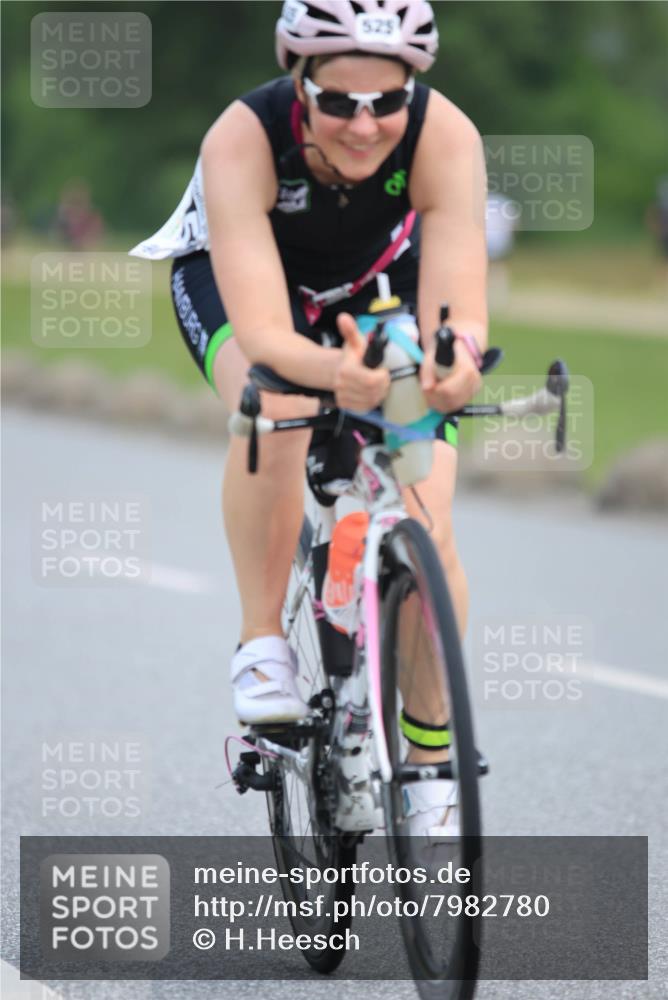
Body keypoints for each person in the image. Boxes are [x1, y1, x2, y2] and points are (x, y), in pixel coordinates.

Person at [130, 0, 488, 837]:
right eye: (338, 103)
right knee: (278, 405)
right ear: (301, 85)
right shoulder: (243, 137)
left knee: (427, 515)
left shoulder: (447, 137)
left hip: (374, 288)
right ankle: (263, 641)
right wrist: (336, 374)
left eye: (386, 102)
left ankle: (429, 753)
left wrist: (450, 364)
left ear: (412, 91)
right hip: (245, 284)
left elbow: (457, 305)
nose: (364, 127)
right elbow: (261, 332)